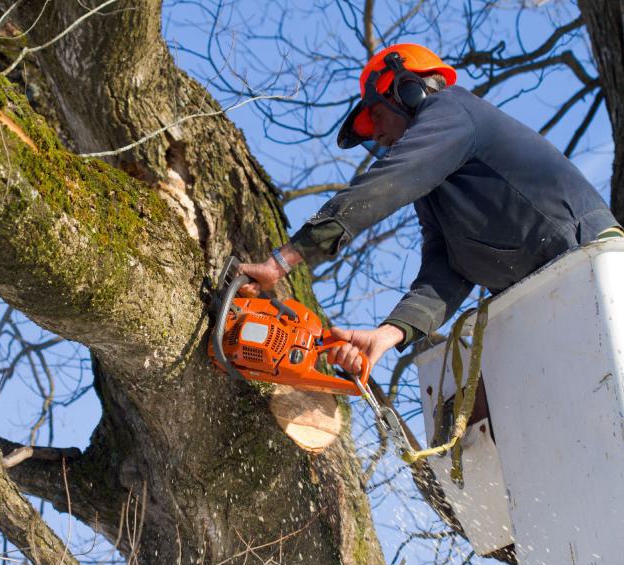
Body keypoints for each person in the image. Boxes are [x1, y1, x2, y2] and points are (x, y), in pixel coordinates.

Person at [239, 43, 622, 374]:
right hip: (546, 299)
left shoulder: (453, 110)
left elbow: (388, 182)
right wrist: (387, 335)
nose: (379, 135)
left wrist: (283, 260)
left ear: (408, 91)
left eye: (376, 117)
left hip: (590, 261)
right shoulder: (435, 188)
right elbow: (447, 269)